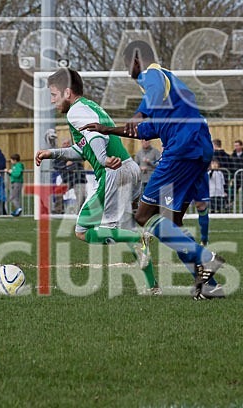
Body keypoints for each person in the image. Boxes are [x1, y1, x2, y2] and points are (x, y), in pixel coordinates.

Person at [81, 42, 226, 300]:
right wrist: (109, 129)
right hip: (198, 148)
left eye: (127, 63)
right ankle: (209, 284)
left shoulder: (153, 74)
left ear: (137, 60)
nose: (126, 70)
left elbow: (151, 100)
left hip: (181, 149)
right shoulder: (169, 91)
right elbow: (148, 130)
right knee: (172, 222)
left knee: (144, 216)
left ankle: (206, 257)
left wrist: (138, 114)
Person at [35, 68, 159, 293]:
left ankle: (139, 237)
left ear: (67, 92)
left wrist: (102, 159)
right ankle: (152, 286)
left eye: (54, 95)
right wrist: (51, 153)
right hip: (128, 167)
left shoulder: (76, 111)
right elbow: (82, 149)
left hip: (113, 172)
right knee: (124, 228)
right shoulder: (92, 107)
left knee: (82, 231)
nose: (52, 101)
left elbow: (96, 137)